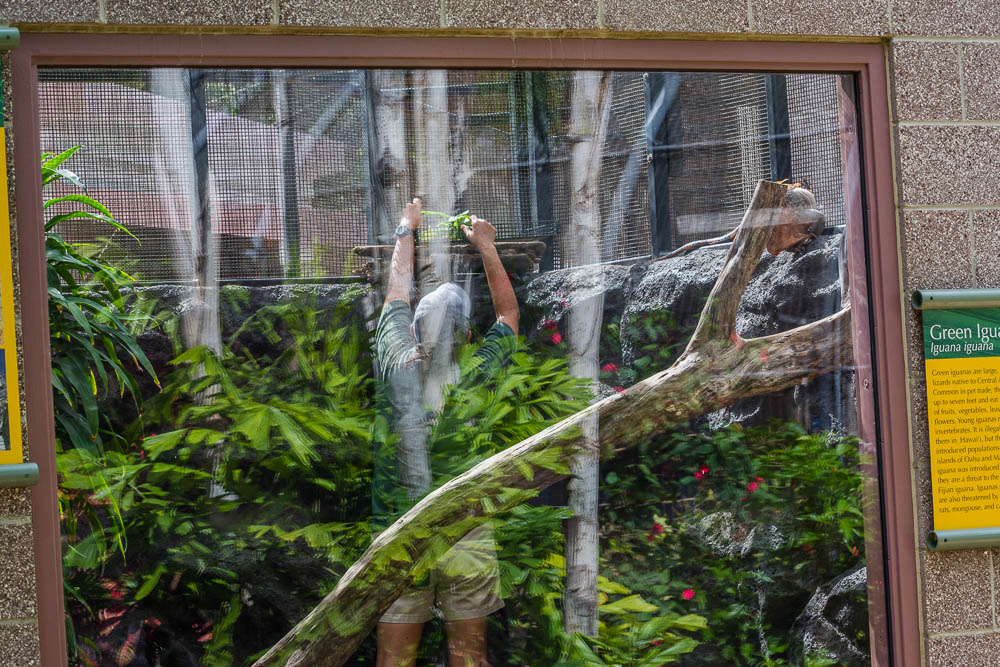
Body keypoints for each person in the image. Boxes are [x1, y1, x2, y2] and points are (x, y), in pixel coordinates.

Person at [372, 198, 520, 667]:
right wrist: (487, 247)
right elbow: (509, 317)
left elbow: (396, 292)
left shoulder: (396, 362)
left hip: (399, 535)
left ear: (414, 331)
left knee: (394, 661)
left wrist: (406, 227)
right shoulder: (477, 373)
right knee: (469, 656)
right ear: (467, 337)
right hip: (466, 529)